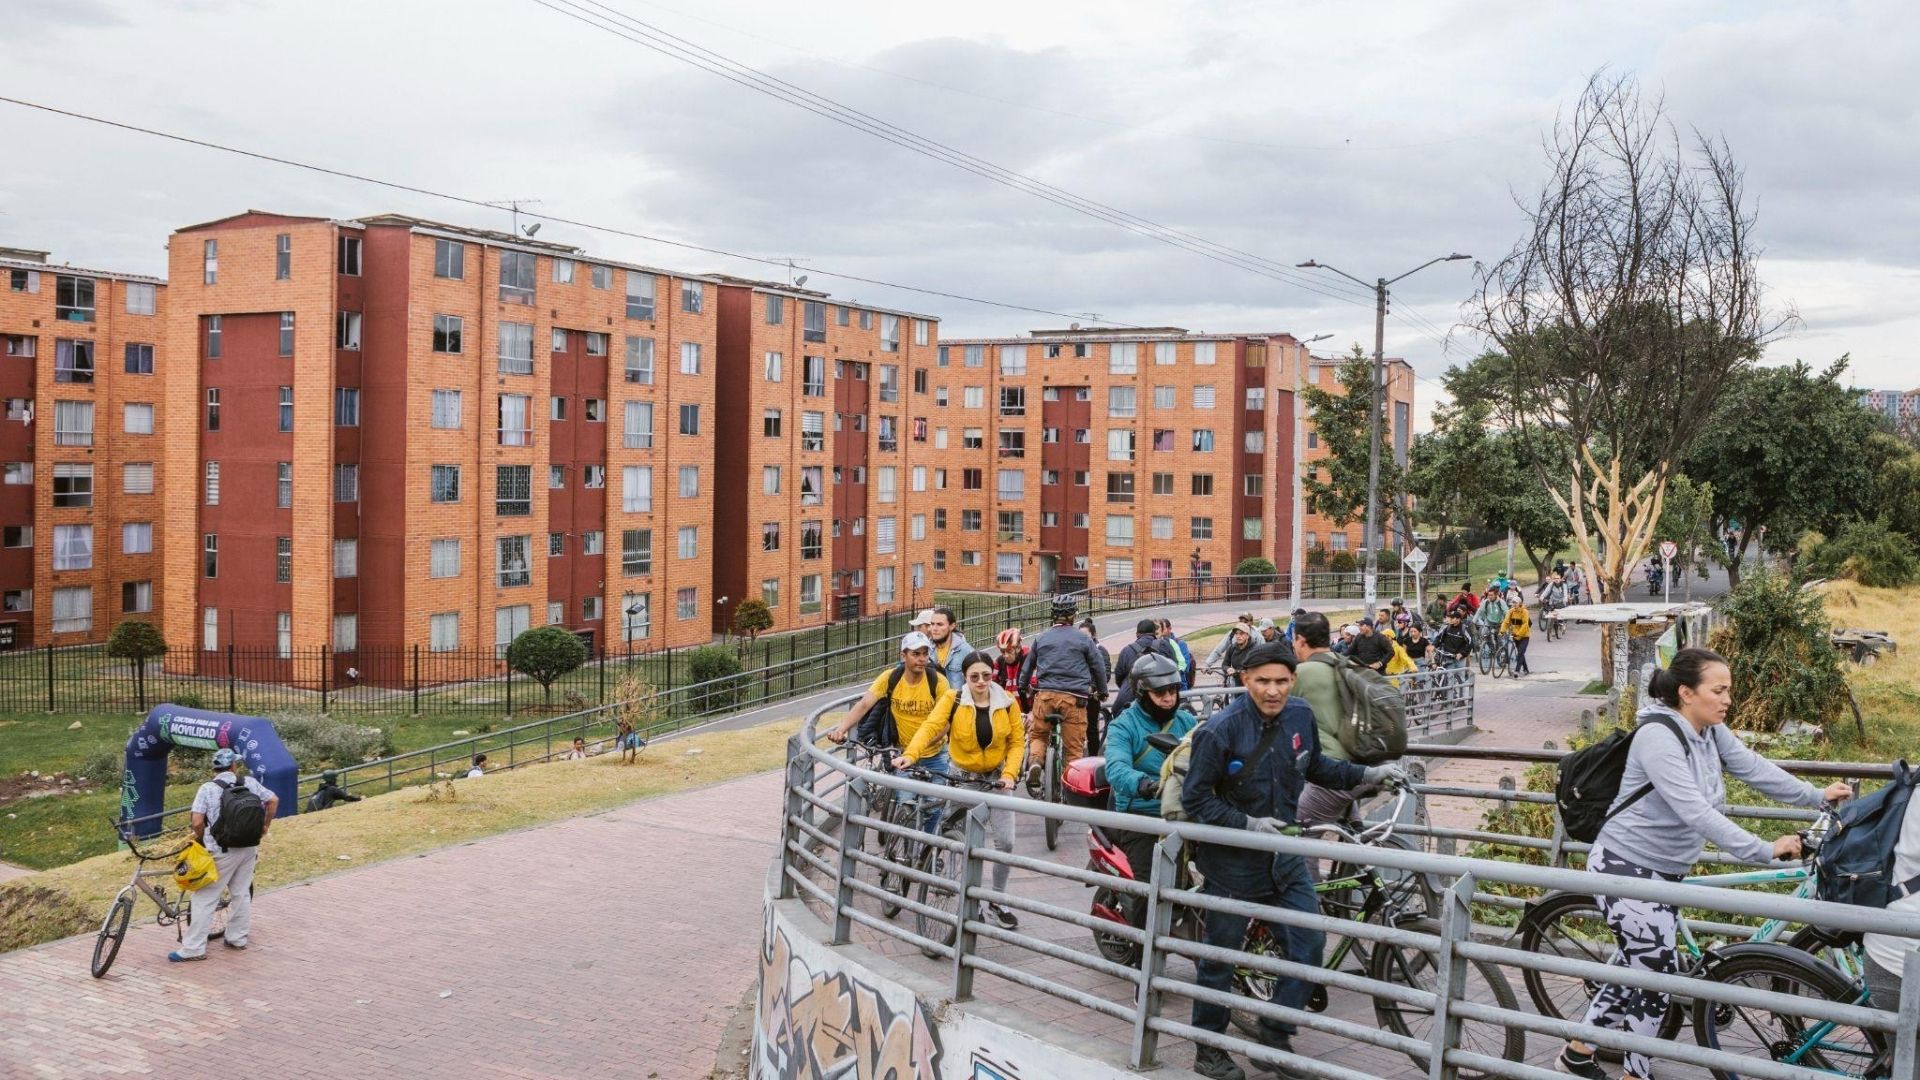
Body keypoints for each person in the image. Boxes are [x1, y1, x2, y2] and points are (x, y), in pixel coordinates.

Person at [1555, 647, 1853, 1080]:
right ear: (1686, 693)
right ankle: (1635, 1073)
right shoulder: (1658, 737)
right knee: (1659, 976)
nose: (1727, 698)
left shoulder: (1710, 730)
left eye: (1728, 689)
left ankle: (1577, 1053)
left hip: (1666, 870)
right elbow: (1695, 811)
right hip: (1625, 867)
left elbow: (1752, 767)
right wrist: (1763, 849)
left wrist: (1815, 795)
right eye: (1719, 690)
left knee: (1637, 962)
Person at [1180, 641, 1404, 1080]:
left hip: (1285, 859)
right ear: (1244, 680)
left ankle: (1273, 1037)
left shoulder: (1300, 715)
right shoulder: (1219, 731)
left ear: (1293, 680)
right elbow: (1196, 799)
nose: (1272, 690)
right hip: (1231, 867)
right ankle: (1208, 1049)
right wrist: (1245, 824)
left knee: (1308, 947)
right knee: (1219, 960)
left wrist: (1368, 773)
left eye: (1282, 681)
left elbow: (1316, 766)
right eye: (1262, 681)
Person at [893, 651, 1024, 929]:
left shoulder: (1007, 702)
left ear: (993, 675)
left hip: (997, 779)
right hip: (962, 779)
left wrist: (1010, 774)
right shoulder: (953, 700)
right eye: (974, 676)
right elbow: (930, 727)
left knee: (1006, 842)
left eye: (986, 676)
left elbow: (1016, 742)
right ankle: (964, 895)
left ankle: (997, 901)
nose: (980, 681)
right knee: (958, 840)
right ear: (965, 677)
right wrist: (911, 755)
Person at [1101, 654, 1197, 925]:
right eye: (1160, 692)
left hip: (1184, 812)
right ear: (1143, 693)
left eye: (1173, 690)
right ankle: (1144, 948)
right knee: (1150, 888)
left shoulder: (1186, 722)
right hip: (1142, 815)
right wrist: (1145, 784)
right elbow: (1117, 768)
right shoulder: (1124, 725)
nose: (1169, 697)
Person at [169, 748, 278, 962]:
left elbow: (197, 822)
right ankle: (237, 938)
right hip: (248, 847)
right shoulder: (249, 782)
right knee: (241, 892)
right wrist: (265, 826)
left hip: (221, 850)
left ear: (214, 768)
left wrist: (201, 839)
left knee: (204, 898)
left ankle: (193, 949)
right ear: (234, 766)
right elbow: (273, 800)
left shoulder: (207, 789)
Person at [1291, 613, 1375, 828]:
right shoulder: (1348, 665)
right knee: (1349, 827)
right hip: (1367, 764)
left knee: (1298, 837)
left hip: (1334, 772)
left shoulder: (1299, 674)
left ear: (1300, 640)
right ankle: (1358, 840)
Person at [1018, 597, 1110, 784]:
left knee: (1039, 735)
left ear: (1053, 615)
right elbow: (1098, 666)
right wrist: (1102, 691)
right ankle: (1071, 785)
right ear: (1074, 615)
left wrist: (1023, 685)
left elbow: (1027, 667)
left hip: (1045, 696)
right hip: (1074, 699)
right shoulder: (1084, 639)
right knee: (1073, 747)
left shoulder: (1041, 637)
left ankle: (1036, 761)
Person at [1113, 618, 1176, 713]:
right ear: (1155, 632)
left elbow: (1119, 677)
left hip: (1128, 700)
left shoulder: (1127, 650)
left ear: (1137, 634)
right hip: (1159, 698)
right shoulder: (1164, 645)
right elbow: (1174, 667)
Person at [921, 606, 973, 689]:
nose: (934, 628)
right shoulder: (924, 649)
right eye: (932, 624)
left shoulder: (966, 652)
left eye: (940, 624)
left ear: (952, 626)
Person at [991, 627, 1035, 713]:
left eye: (1009, 651)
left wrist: (1033, 713)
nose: (1005, 656)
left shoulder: (1030, 660)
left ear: (1018, 648)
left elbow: (1038, 689)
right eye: (1003, 652)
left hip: (1028, 711)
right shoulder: (999, 662)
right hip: (1007, 711)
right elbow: (992, 685)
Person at [1207, 620, 1256, 684]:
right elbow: (1224, 664)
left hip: (1250, 685)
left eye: (1241, 633)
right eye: (1236, 633)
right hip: (1236, 683)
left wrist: (1236, 672)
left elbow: (1252, 670)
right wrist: (1228, 669)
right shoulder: (1232, 648)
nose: (1238, 636)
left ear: (1247, 636)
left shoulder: (1254, 650)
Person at [1159, 618, 1198, 690]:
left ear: (1169, 629)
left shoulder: (1180, 644)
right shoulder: (1157, 644)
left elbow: (1185, 667)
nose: (1160, 632)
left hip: (1180, 687)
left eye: (1162, 629)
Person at [1501, 600, 1532, 675]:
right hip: (1515, 636)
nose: (1514, 604)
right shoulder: (1511, 611)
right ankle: (1526, 669)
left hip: (1524, 636)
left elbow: (1525, 625)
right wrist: (1502, 631)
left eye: (1515, 603)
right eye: (1513, 603)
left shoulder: (1525, 612)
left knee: (1520, 652)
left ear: (1520, 604)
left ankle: (1517, 671)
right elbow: (1506, 622)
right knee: (1520, 653)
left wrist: (1518, 633)